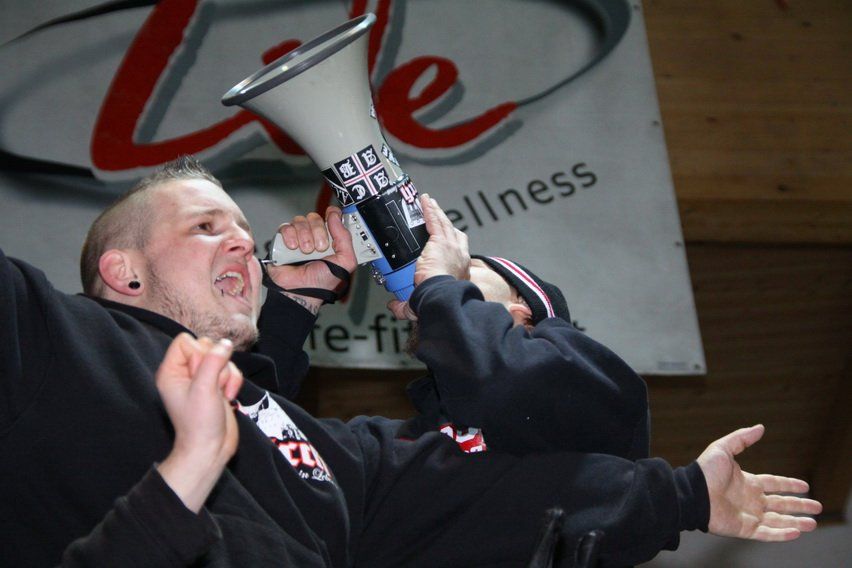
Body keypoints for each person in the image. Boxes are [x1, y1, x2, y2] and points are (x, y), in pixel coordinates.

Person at [0, 156, 820, 567]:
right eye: (207, 228)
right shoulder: (49, 336)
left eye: (243, 231)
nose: (245, 242)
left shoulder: (320, 448)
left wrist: (680, 496)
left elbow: (473, 494)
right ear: (125, 273)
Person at [283, 200, 650, 461]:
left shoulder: (596, 397)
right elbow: (264, 446)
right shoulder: (402, 449)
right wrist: (294, 304)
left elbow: (518, 381)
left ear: (521, 315)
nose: (438, 276)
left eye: (467, 269)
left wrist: (440, 287)